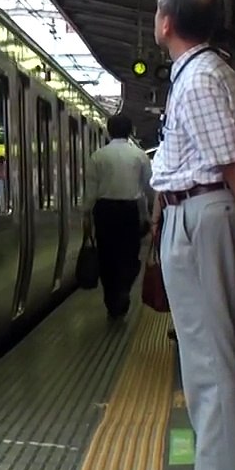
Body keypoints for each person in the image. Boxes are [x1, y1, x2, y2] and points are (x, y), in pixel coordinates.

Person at [149, 0, 235, 470]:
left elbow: (234, 163)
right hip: (209, 212)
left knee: (206, 348)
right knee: (220, 345)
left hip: (201, 214)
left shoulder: (196, 81)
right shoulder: (214, 71)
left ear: (167, 22)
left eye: (158, 10)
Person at [83, 114, 152, 319]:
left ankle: (112, 299)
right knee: (130, 255)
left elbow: (91, 190)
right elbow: (148, 188)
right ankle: (124, 289)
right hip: (130, 212)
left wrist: (86, 215)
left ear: (108, 131)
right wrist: (148, 215)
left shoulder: (97, 156)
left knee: (107, 257)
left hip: (104, 212)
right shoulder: (140, 156)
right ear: (130, 131)